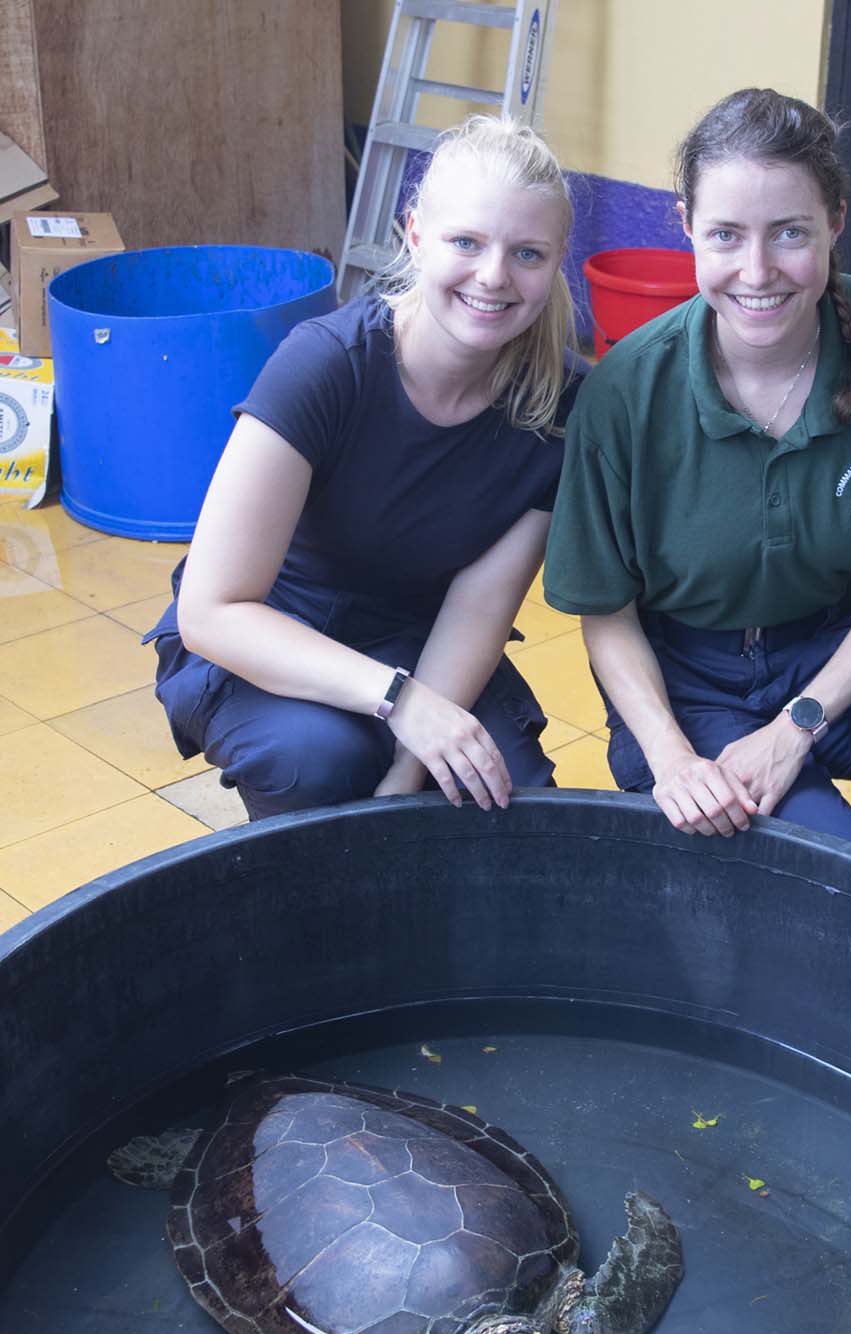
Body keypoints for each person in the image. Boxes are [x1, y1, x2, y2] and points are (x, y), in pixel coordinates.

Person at [543, 88, 851, 895]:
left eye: (790, 233)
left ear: (836, 221)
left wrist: (797, 724)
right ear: (685, 229)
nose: (757, 271)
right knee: (828, 870)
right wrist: (673, 758)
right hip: (688, 678)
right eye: (726, 236)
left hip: (833, 644)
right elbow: (603, 611)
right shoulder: (626, 390)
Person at [146, 114, 580, 821]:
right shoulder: (326, 366)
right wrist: (401, 701)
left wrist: (411, 765)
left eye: (527, 253)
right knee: (317, 761)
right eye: (465, 242)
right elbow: (211, 609)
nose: (494, 277)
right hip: (273, 627)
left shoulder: (559, 404)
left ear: (558, 256)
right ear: (415, 235)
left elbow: (478, 604)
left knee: (505, 794)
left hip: (418, 633)